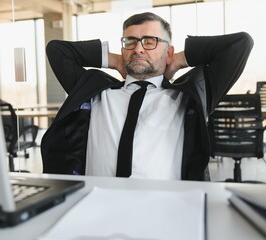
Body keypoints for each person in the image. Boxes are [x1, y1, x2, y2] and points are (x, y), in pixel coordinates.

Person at [41, 12, 253, 181]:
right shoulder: (95, 92)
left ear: (168, 52)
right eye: (130, 42)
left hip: (166, 212)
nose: (138, 49)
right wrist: (116, 61)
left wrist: (178, 60)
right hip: (96, 207)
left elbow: (240, 44)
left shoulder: (188, 96)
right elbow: (57, 50)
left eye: (150, 41)